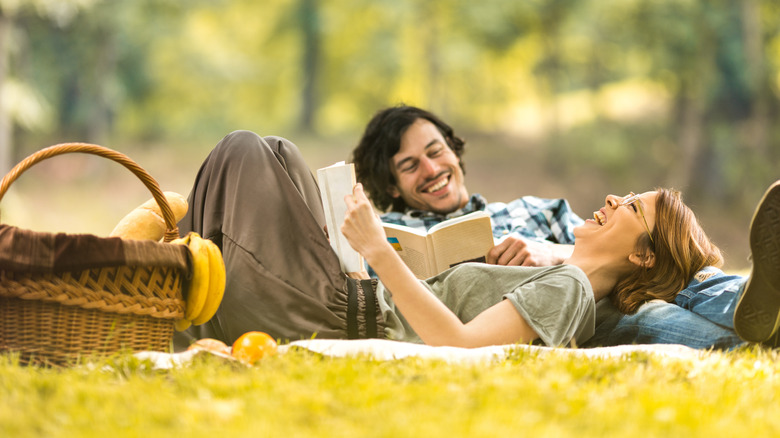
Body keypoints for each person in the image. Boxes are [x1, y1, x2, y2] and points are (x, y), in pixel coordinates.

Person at [172, 129, 747, 350]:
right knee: (276, 152)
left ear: (642, 254)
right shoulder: (560, 277)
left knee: (243, 150)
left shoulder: (570, 288)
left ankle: (184, 303)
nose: (614, 199)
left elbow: (462, 346)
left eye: (632, 207)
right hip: (344, 292)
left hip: (337, 315)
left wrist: (376, 251)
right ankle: (195, 303)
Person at [350, 104, 780, 349]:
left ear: (454, 152)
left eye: (435, 151)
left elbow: (608, 253)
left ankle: (755, 299)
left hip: (594, 287)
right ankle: (752, 340)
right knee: (646, 313)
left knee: (684, 274)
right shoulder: (383, 229)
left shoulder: (537, 210)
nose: (430, 168)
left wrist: (549, 253)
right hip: (569, 311)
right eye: (410, 165)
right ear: (392, 185)